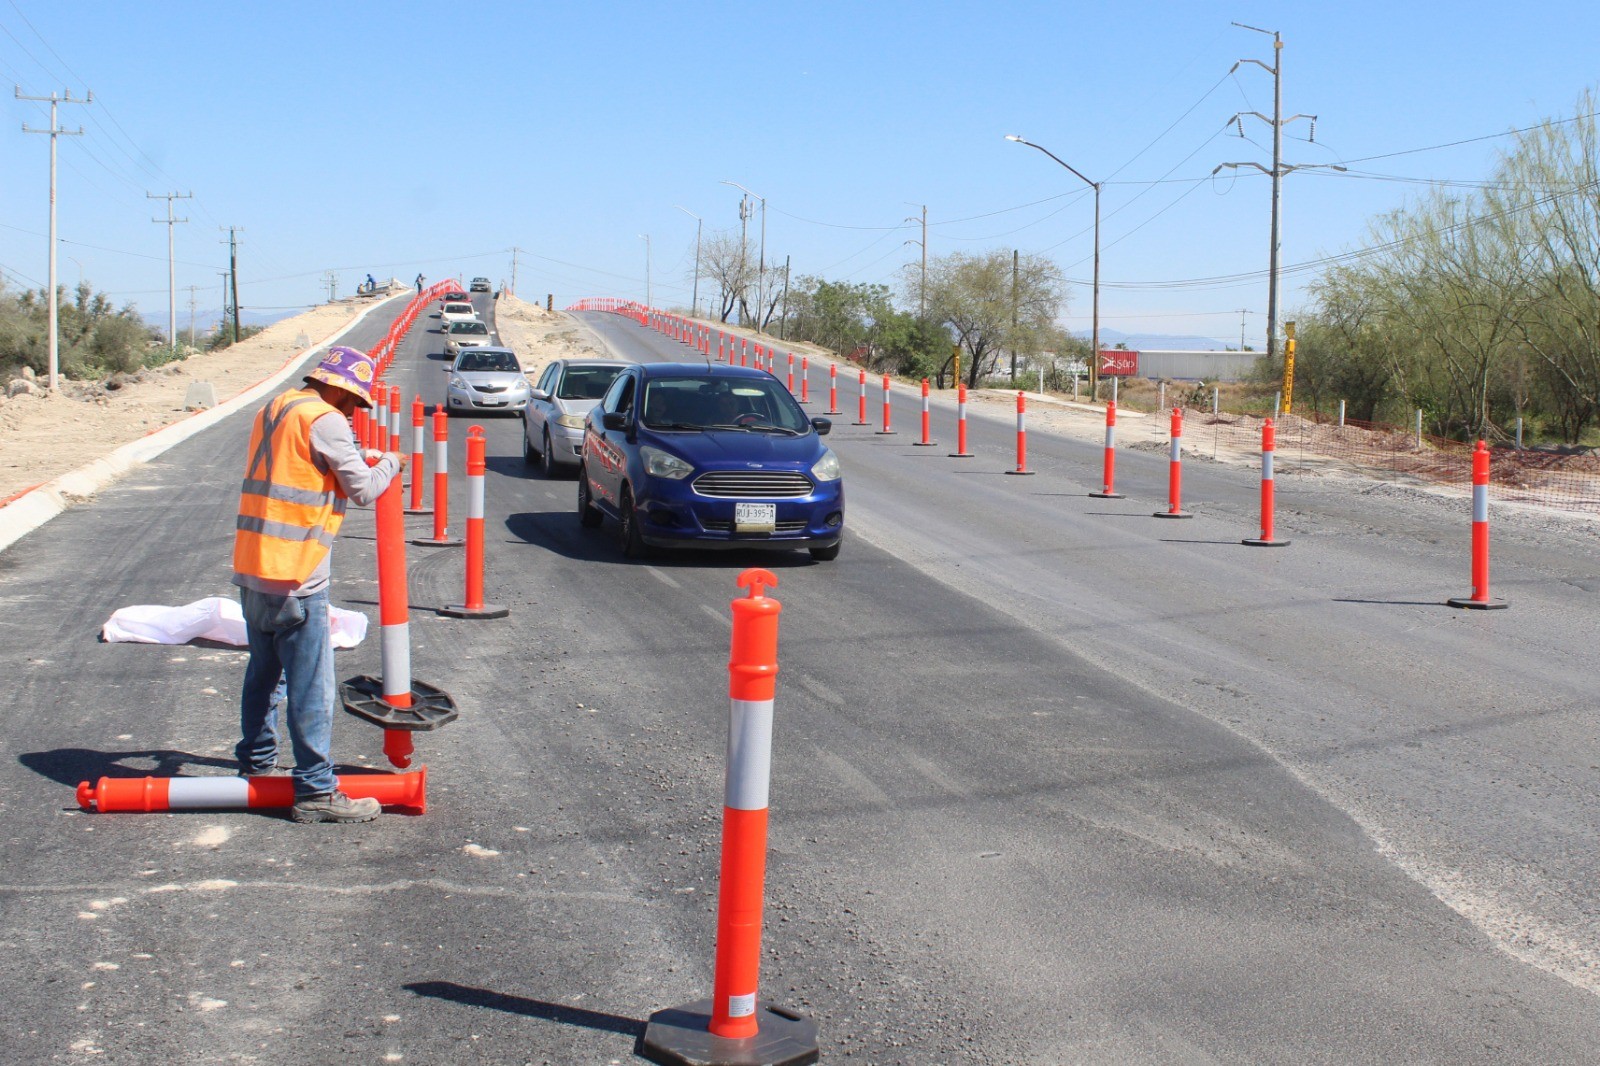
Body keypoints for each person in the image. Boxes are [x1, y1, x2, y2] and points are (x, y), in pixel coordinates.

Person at [232, 345, 405, 823]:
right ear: (339, 388)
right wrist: (391, 461)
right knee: (312, 685)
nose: (353, 412)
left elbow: (304, 465)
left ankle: (256, 763)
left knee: (264, 674)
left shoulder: (278, 407)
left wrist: (353, 454)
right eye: (353, 402)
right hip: (298, 573)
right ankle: (315, 791)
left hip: (254, 565)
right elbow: (364, 490)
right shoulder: (326, 419)